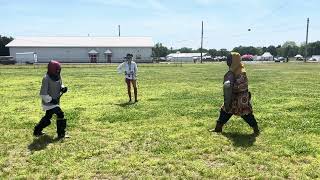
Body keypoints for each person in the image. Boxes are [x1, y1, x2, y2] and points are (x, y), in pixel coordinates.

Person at [210, 52, 260, 136]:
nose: (227, 61)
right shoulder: (233, 70)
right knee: (225, 110)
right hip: (232, 97)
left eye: (229, 59)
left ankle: (256, 129)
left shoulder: (241, 72)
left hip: (240, 98)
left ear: (235, 60)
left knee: (246, 113)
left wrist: (231, 87)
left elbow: (242, 86)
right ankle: (218, 128)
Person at [33, 60, 68, 139]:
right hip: (48, 102)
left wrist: (63, 88)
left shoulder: (58, 76)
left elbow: (61, 84)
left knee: (48, 117)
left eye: (59, 70)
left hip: (55, 101)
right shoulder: (46, 78)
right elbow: (43, 94)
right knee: (60, 114)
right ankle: (61, 134)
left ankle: (37, 130)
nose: (58, 72)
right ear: (52, 69)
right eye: (57, 70)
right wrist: (51, 100)